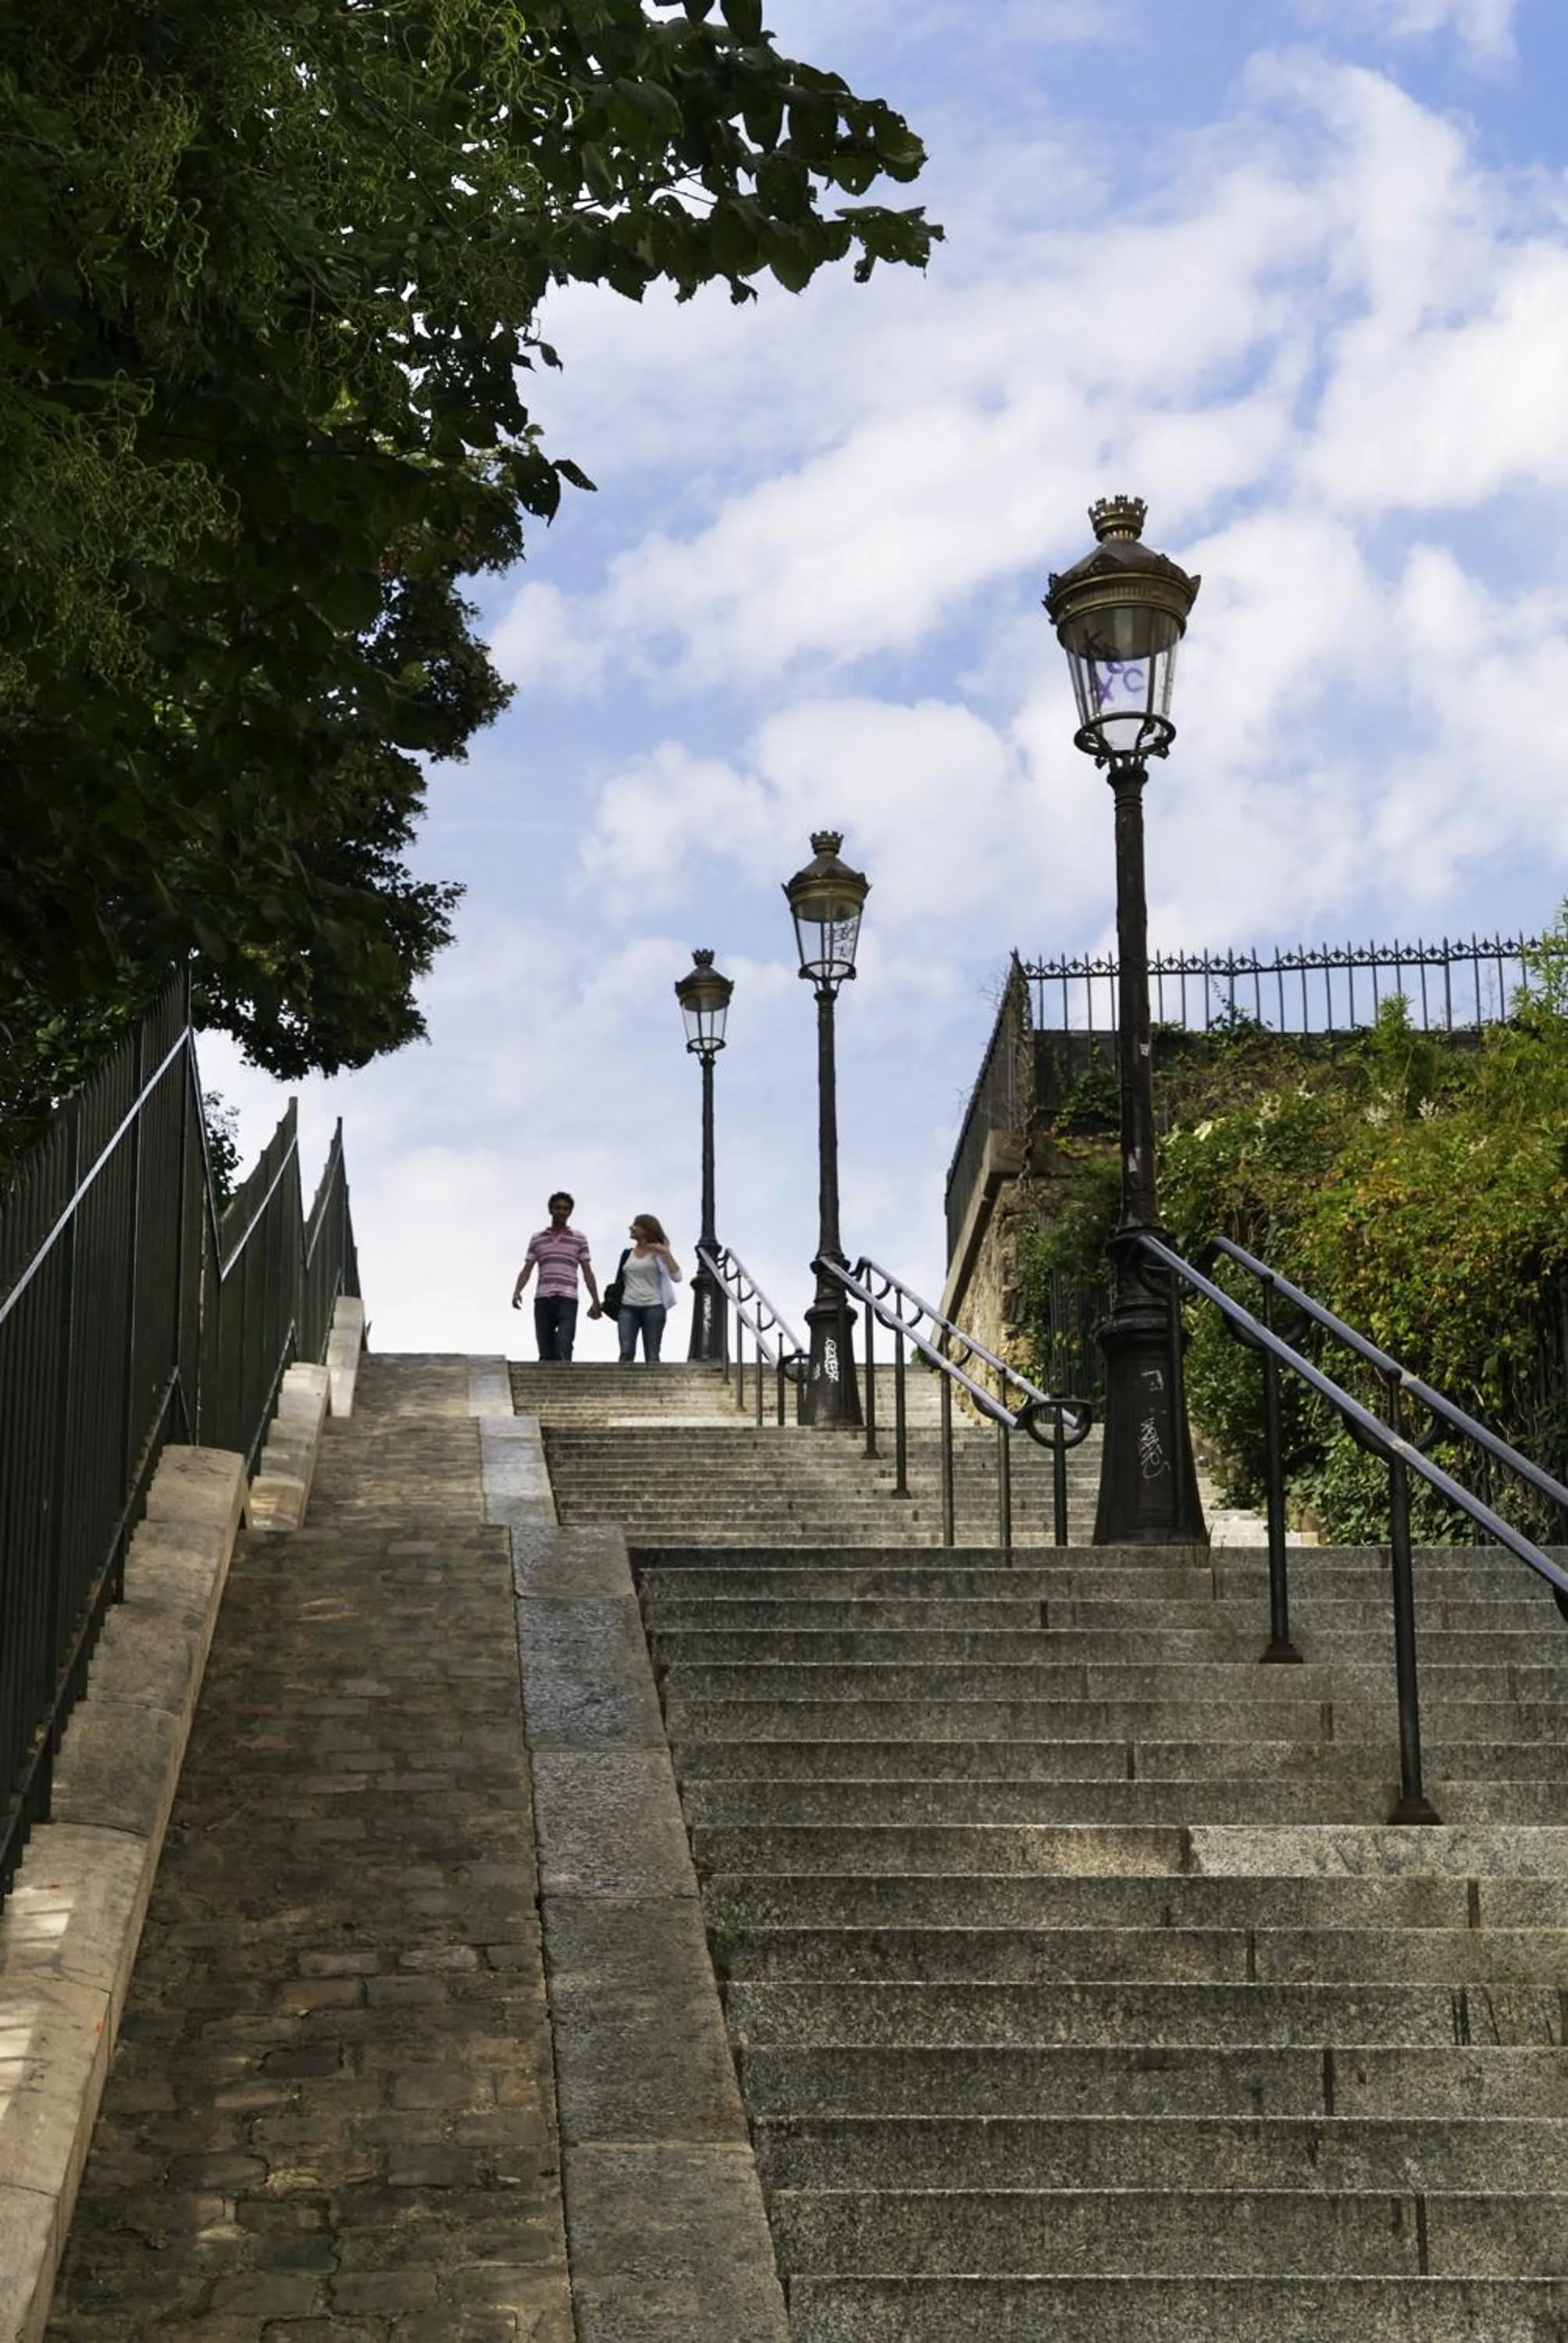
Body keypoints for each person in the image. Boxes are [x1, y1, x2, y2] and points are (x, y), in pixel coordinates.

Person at [511, 1192, 602, 1361]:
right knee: (545, 1349)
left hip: (568, 1298)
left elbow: (587, 1271)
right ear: (550, 1210)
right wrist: (517, 1291)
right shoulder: (538, 1238)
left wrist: (596, 1300)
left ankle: (565, 1374)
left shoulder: (579, 1239)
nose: (561, 1212)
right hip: (543, 1297)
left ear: (570, 1212)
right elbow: (528, 1268)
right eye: (558, 1208)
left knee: (564, 1344)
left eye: (565, 1209)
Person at [615, 1214, 682, 1364]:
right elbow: (618, 1281)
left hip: (654, 1307)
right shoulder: (627, 1254)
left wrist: (666, 1252)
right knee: (626, 1352)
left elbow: (677, 1277)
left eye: (635, 1225)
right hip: (628, 1307)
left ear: (646, 1229)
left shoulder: (658, 1254)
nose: (631, 1228)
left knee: (652, 1355)